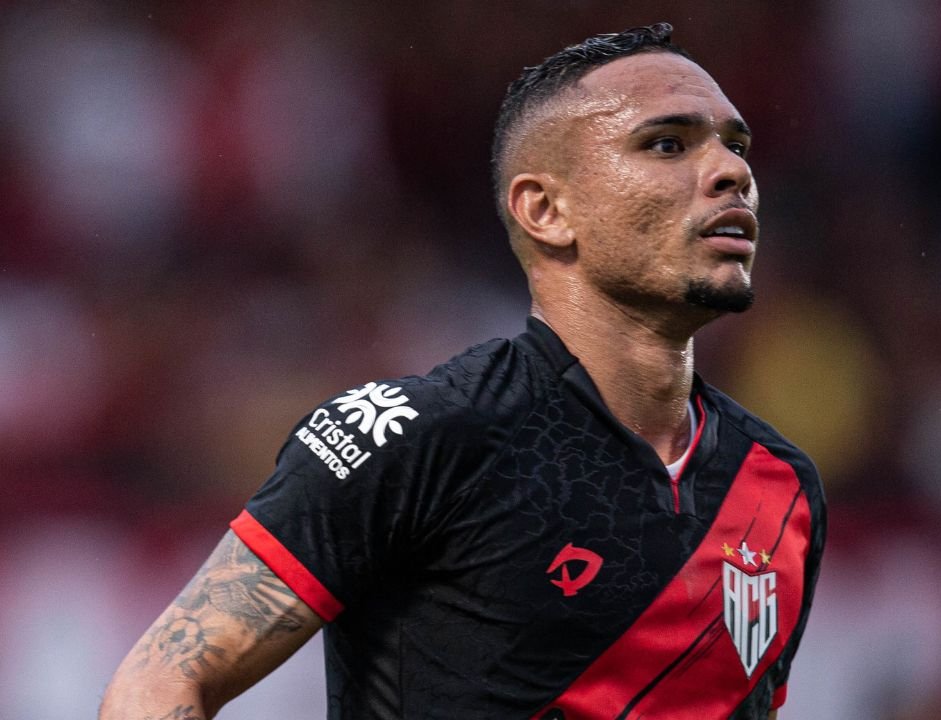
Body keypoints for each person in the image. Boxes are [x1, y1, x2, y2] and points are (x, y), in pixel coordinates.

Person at [100, 22, 825, 720]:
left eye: (736, 145)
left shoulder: (783, 488)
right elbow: (158, 682)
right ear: (545, 209)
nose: (733, 172)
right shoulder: (422, 440)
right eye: (667, 143)